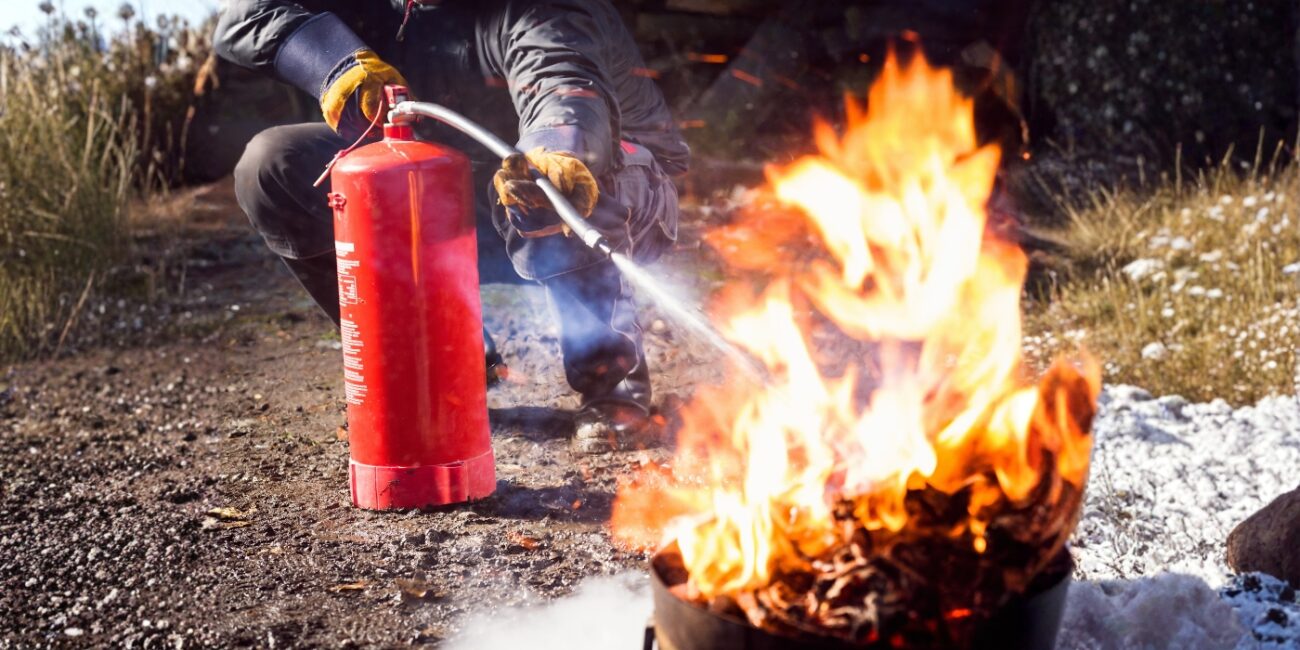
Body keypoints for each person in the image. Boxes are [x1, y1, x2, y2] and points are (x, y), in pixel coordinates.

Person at [214, 0, 690, 453]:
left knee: (551, 174)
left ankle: (611, 385)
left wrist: (556, 146)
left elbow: (562, 83)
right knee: (274, 164)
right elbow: (247, 13)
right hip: (456, 184)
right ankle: (444, 366)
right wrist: (332, 62)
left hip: (617, 191)